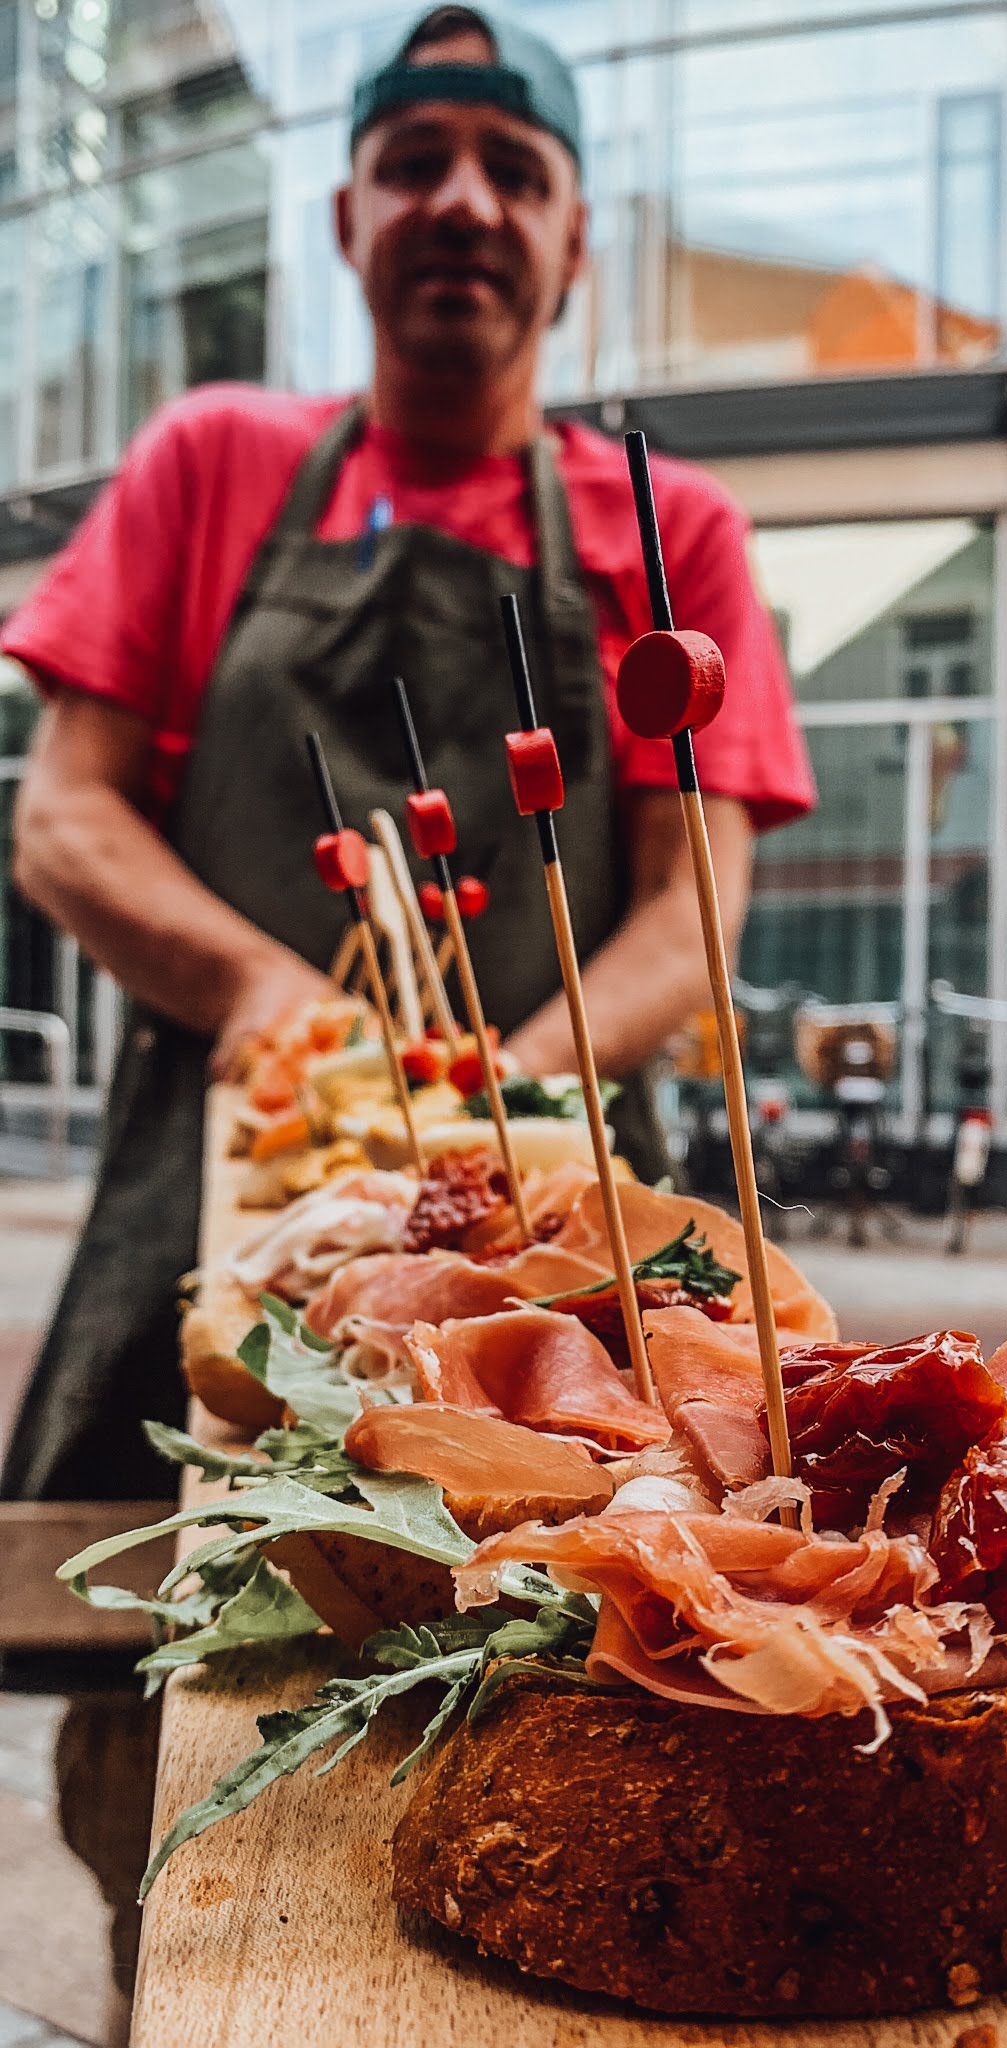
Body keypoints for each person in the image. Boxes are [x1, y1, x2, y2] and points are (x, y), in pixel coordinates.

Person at [4, 2, 812, 1502]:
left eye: (514, 168)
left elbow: (689, 908)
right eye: (414, 160)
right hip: (229, 1174)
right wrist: (269, 996)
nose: (461, 200)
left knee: (539, 1612)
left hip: (545, 1193)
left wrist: (496, 1094)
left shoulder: (669, 528)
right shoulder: (213, 458)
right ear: (346, 215)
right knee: (145, 1653)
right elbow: (61, 821)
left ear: (576, 242)